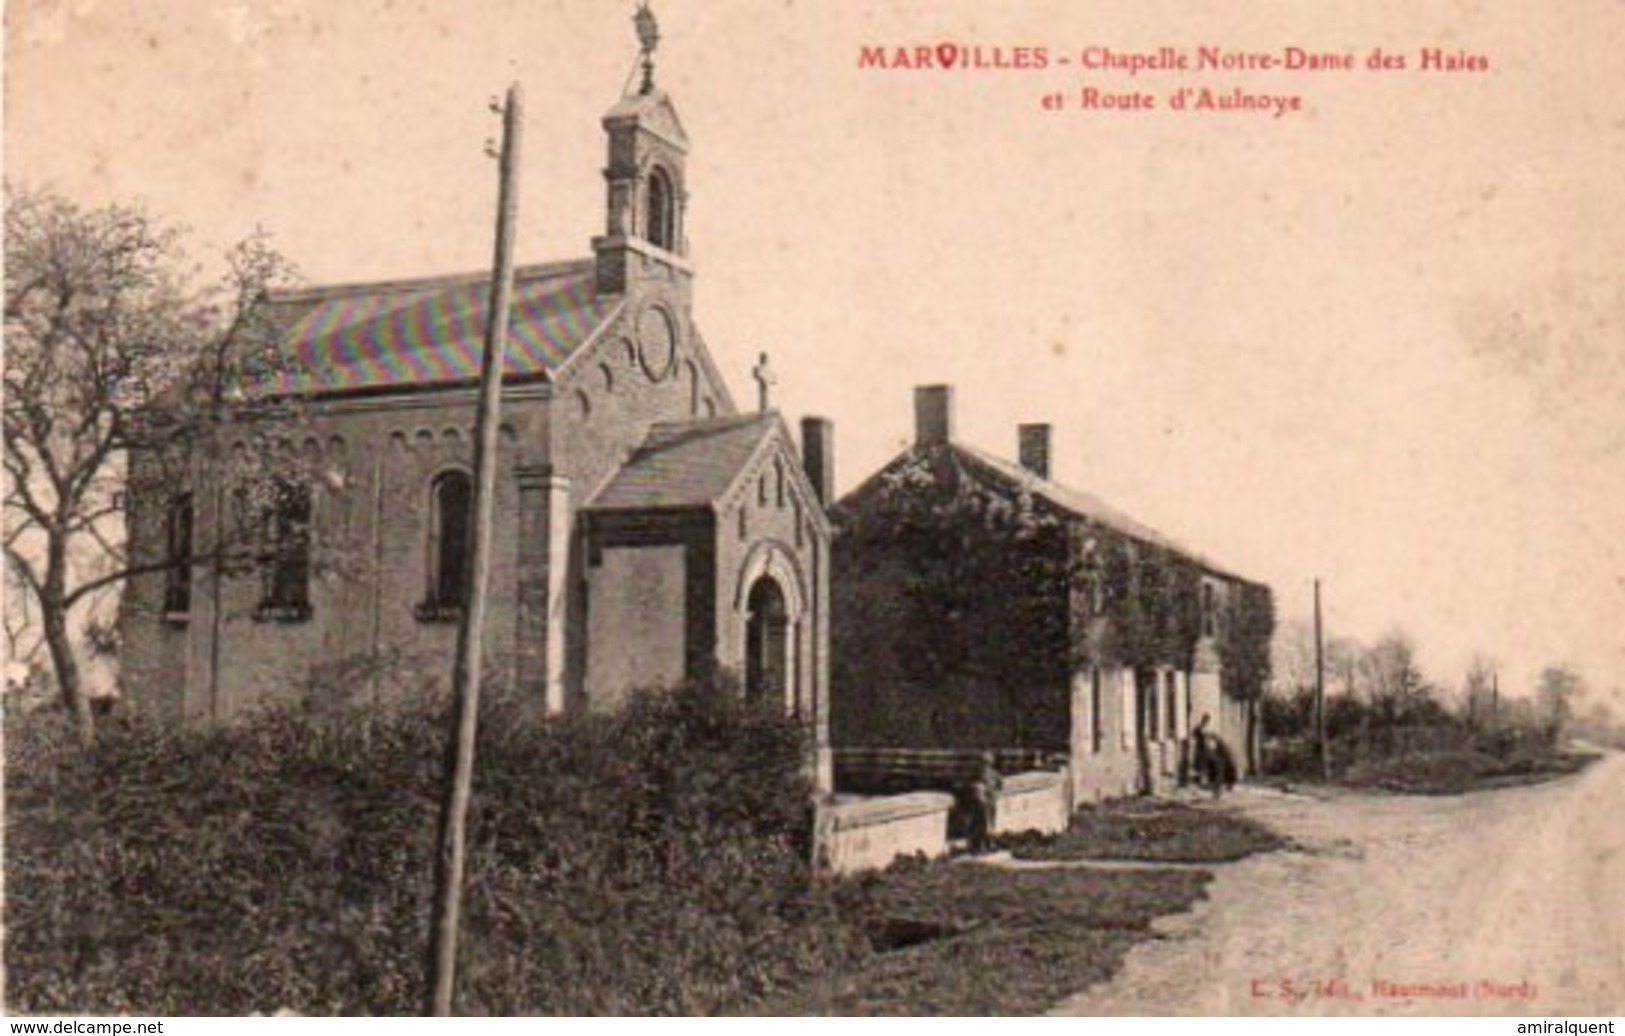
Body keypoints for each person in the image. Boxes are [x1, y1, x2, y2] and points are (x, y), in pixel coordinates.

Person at [964, 752, 1003, 853]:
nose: (985, 765)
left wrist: (990, 792)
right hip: (978, 803)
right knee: (979, 824)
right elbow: (968, 786)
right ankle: (977, 846)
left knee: (990, 824)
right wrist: (977, 789)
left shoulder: (995, 774)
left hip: (990, 802)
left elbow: (1000, 786)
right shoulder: (975, 774)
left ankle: (989, 844)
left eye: (987, 763)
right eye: (983, 763)